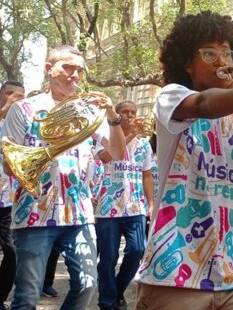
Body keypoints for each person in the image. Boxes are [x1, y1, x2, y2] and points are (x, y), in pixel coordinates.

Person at [135, 11, 233, 310]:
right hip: (175, 273)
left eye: (227, 53)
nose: (221, 61)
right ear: (187, 62)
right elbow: (203, 104)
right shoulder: (172, 96)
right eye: (209, 53)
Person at [2, 45, 126, 310]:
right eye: (68, 68)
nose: (75, 75)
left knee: (87, 284)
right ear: (49, 68)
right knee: (27, 294)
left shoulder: (89, 111)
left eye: (79, 70)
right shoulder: (24, 109)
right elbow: (9, 166)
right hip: (35, 212)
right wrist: (52, 149)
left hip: (79, 212)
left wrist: (113, 117)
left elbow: (117, 151)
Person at [94, 100, 156, 310]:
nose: (129, 115)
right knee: (108, 257)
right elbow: (106, 157)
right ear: (116, 115)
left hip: (135, 207)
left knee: (138, 250)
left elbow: (147, 176)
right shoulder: (104, 136)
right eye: (125, 112)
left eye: (132, 112)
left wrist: (151, 203)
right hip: (108, 207)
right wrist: (129, 135)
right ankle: (107, 302)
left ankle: (117, 290)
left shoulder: (145, 145)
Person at [0, 81, 25, 310]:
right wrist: (3, 112)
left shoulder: (23, 126)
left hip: (12, 201)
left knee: (14, 252)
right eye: (9, 94)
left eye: (20, 96)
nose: (14, 98)